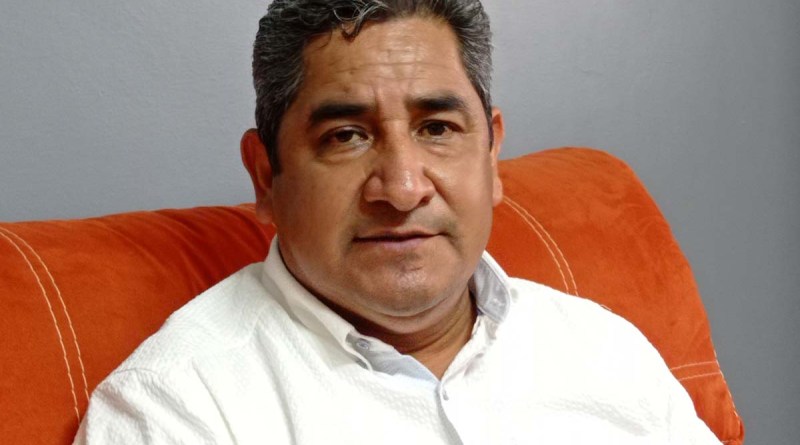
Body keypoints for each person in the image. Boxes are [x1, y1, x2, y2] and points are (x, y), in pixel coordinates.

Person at [75, 1, 721, 443]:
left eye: (437, 128)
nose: (403, 188)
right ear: (266, 175)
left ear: (491, 156)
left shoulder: (602, 348)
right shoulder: (175, 411)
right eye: (346, 136)